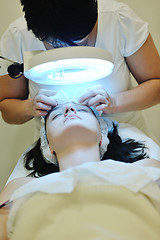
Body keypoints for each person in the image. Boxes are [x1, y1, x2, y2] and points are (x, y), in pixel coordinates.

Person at [0, 102, 160, 240]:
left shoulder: (144, 167)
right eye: (56, 116)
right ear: (49, 148)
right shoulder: (20, 185)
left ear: (102, 138)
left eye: (83, 110)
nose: (69, 109)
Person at [0, 0, 160, 137]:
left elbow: (156, 83)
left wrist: (114, 103)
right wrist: (29, 107)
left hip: (127, 141)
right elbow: (8, 108)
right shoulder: (18, 36)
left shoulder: (118, 19)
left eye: (81, 41)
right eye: (55, 44)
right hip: (57, 158)